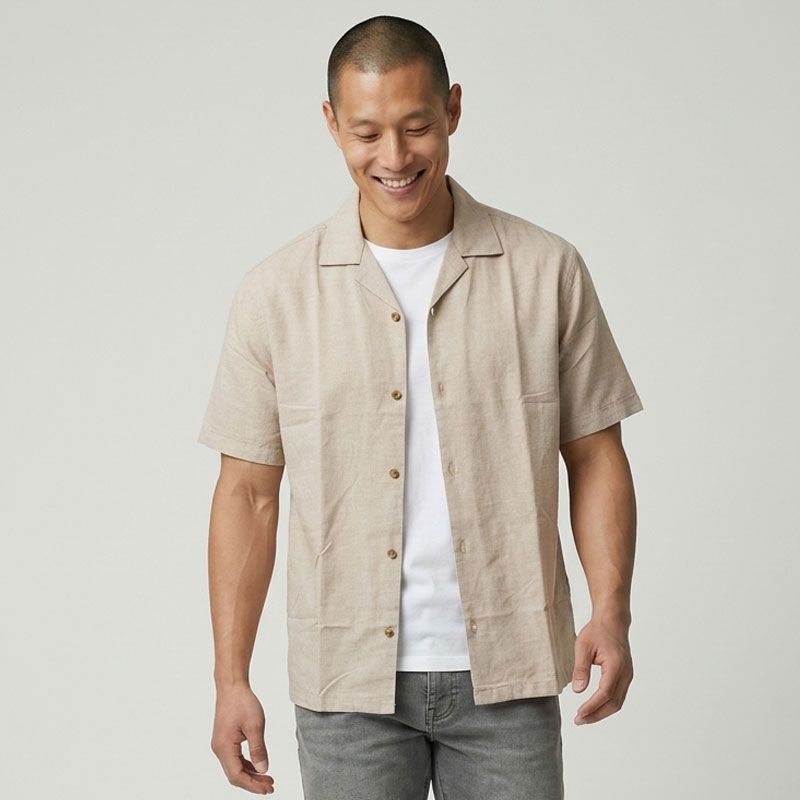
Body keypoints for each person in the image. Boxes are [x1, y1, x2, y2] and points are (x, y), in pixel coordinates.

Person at [197, 14, 644, 800]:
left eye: (416, 127)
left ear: (454, 109)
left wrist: (611, 611)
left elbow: (596, 454)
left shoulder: (545, 272)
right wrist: (230, 678)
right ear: (331, 123)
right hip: (346, 686)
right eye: (366, 132)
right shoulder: (277, 294)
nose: (395, 158)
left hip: (508, 673)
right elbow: (247, 494)